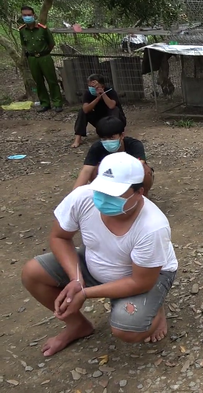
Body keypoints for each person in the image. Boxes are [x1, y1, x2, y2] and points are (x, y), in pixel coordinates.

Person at [21, 152, 178, 357]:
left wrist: (85, 293)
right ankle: (77, 326)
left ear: (139, 192)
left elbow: (141, 282)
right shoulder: (82, 197)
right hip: (94, 259)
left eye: (113, 194)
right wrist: (76, 279)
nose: (103, 199)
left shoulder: (152, 227)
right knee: (32, 273)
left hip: (142, 276)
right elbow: (59, 237)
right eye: (100, 190)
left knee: (128, 330)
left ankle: (156, 307)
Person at [73, 116, 154, 197]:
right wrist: (74, 196)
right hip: (108, 177)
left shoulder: (134, 145)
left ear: (122, 135)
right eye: (104, 138)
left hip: (129, 178)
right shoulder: (97, 147)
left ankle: (142, 196)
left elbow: (138, 164)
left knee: (145, 171)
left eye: (111, 137)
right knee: (93, 170)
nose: (108, 141)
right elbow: (86, 171)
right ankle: (105, 195)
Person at [19, 5, 63, 113]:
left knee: (52, 80)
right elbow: (24, 44)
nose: (27, 17)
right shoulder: (22, 30)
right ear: (22, 16)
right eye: (25, 15)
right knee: (38, 81)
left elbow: (51, 43)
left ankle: (57, 103)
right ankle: (45, 103)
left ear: (34, 15)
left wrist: (45, 52)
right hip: (32, 59)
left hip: (45, 57)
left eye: (29, 15)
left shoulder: (42, 28)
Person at [72, 74, 127, 148]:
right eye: (90, 86)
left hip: (115, 119)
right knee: (82, 111)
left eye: (94, 86)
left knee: (114, 109)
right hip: (100, 120)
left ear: (102, 85)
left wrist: (103, 94)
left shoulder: (110, 91)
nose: (92, 88)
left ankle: (114, 133)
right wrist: (97, 98)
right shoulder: (88, 93)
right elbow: (85, 109)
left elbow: (111, 105)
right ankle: (78, 138)